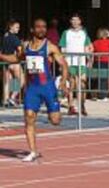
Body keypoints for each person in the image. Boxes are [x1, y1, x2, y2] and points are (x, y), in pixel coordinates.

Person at [0, 18, 69, 162]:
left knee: (55, 121)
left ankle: (54, 111)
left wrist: (63, 81)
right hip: (32, 88)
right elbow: (15, 58)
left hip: (48, 87)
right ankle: (32, 151)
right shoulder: (25, 46)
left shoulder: (50, 47)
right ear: (32, 29)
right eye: (38, 27)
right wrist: (1, 56)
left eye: (44, 27)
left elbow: (63, 64)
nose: (42, 29)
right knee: (29, 117)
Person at [59, 13, 93, 116]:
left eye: (76, 20)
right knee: (72, 85)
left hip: (81, 63)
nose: (74, 22)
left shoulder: (83, 33)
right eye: (72, 20)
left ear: (80, 21)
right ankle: (70, 106)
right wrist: (63, 63)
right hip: (70, 63)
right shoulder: (66, 33)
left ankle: (82, 105)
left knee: (82, 84)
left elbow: (87, 47)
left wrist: (89, 60)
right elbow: (63, 48)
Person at [1, 19, 25, 107]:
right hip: (14, 62)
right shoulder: (15, 38)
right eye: (17, 27)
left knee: (8, 82)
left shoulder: (4, 36)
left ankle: (6, 100)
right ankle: (13, 97)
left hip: (5, 62)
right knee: (21, 80)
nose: (18, 29)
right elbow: (19, 50)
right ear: (11, 27)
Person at [92, 28, 109, 100]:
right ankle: (102, 96)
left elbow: (91, 51)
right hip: (106, 62)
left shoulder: (95, 42)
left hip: (96, 62)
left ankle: (95, 95)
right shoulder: (108, 42)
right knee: (104, 79)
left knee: (97, 79)